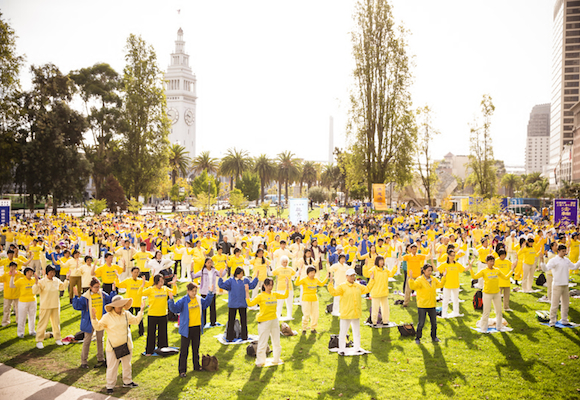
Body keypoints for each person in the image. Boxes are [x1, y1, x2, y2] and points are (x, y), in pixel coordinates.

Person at [90, 295, 145, 394]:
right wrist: (94, 318)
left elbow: (136, 321)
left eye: (122, 305)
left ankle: (127, 382)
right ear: (113, 306)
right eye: (118, 305)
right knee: (112, 367)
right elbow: (98, 327)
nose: (120, 307)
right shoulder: (107, 317)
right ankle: (110, 386)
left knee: (127, 365)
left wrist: (141, 311)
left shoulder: (126, 314)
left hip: (127, 345)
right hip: (113, 348)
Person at [168, 282, 215, 377]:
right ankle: (182, 370)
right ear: (188, 291)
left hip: (196, 328)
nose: (194, 293)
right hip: (186, 329)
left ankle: (196, 366)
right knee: (184, 351)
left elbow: (206, 304)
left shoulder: (198, 299)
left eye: (195, 291)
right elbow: (175, 309)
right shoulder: (183, 300)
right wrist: (171, 300)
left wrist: (210, 293)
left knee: (195, 349)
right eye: (192, 291)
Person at [327, 268, 375, 354]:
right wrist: (330, 283)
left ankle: (357, 348)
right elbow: (334, 293)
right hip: (346, 314)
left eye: (354, 275)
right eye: (351, 276)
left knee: (357, 333)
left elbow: (367, 289)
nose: (353, 277)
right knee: (343, 333)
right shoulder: (342, 286)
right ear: (346, 276)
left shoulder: (358, 286)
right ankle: (342, 349)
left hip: (356, 313)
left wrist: (372, 280)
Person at [72, 277, 116, 368]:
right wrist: (76, 296)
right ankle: (84, 362)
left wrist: (113, 290)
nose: (97, 289)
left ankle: (101, 359)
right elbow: (77, 306)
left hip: (100, 321)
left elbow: (110, 300)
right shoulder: (85, 297)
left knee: (100, 340)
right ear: (90, 287)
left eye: (98, 287)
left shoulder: (102, 294)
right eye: (95, 287)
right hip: (89, 322)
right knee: (87, 341)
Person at [245, 277, 289, 367]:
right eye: (269, 285)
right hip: (264, 322)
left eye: (272, 285)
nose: (270, 287)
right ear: (264, 285)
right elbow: (250, 303)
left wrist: (287, 285)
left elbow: (285, 296)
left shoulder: (274, 294)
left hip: (274, 320)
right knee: (263, 341)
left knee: (276, 341)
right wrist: (246, 292)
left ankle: (276, 358)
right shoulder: (260, 296)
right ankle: (260, 361)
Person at [467, 255, 515, 333]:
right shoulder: (484, 271)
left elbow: (505, 277)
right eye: (490, 261)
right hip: (487, 294)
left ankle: (499, 327)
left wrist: (512, 270)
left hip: (496, 293)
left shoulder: (497, 270)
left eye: (493, 261)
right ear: (487, 262)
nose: (492, 263)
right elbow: (474, 276)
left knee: (499, 311)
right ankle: (483, 328)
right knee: (486, 312)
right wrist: (471, 268)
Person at [408, 264, 446, 344]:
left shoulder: (433, 279)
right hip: (422, 305)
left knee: (434, 323)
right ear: (424, 271)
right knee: (421, 323)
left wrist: (444, 277)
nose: (430, 272)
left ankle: (434, 337)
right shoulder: (419, 279)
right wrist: (411, 279)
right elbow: (413, 286)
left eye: (431, 270)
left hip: (432, 304)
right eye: (428, 270)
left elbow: (440, 285)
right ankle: (418, 338)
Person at [33, 265, 69, 348]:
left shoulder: (56, 280)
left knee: (56, 323)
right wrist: (36, 282)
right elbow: (35, 291)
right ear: (47, 272)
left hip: (55, 305)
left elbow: (62, 287)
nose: (52, 274)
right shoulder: (42, 281)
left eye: (53, 272)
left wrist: (67, 279)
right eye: (51, 272)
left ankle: (57, 338)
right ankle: (39, 340)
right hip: (45, 306)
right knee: (42, 324)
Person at [218, 267, 258, 341]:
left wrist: (256, 278)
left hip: (243, 303)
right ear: (236, 274)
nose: (241, 275)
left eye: (242, 274)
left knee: (244, 321)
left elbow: (252, 286)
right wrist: (220, 277)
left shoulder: (245, 280)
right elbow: (222, 285)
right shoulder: (231, 280)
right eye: (239, 274)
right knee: (231, 321)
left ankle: (244, 337)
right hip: (233, 304)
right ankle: (229, 337)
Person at [141, 274, 177, 355]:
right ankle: (149, 350)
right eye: (160, 281)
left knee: (163, 333)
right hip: (152, 314)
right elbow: (140, 293)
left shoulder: (165, 288)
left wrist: (174, 284)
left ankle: (163, 348)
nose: (162, 283)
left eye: (162, 281)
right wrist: (143, 284)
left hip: (163, 314)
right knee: (151, 333)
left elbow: (174, 292)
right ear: (156, 282)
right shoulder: (150, 289)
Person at [545, 244, 580, 326]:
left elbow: (574, 267)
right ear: (559, 251)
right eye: (563, 251)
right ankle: (552, 321)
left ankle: (564, 319)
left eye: (565, 251)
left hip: (565, 285)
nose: (564, 253)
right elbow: (547, 268)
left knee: (565, 304)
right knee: (555, 304)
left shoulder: (566, 260)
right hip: (557, 284)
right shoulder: (554, 260)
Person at [437, 249, 473, 318]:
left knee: (455, 299)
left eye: (454, 255)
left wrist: (470, 265)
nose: (453, 257)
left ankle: (456, 313)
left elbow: (464, 269)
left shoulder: (457, 264)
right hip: (447, 284)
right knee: (446, 300)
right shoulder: (444, 264)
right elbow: (436, 269)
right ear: (448, 255)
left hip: (455, 284)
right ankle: (444, 314)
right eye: (451, 255)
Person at [295, 265, 328, 334]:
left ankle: (313, 328)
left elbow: (321, 284)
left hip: (314, 299)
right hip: (306, 299)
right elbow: (296, 283)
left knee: (315, 314)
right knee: (306, 314)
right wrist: (299, 275)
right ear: (308, 273)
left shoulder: (315, 280)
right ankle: (304, 328)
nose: (312, 274)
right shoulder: (304, 279)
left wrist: (326, 278)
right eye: (311, 273)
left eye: (314, 273)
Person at [367, 255, 398, 326]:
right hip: (376, 292)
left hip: (384, 292)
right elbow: (368, 274)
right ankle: (374, 322)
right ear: (377, 261)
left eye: (382, 261)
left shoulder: (385, 269)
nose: (381, 262)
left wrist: (395, 266)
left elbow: (390, 274)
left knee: (385, 308)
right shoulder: (373, 269)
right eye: (380, 261)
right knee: (375, 308)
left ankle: (385, 321)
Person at [115, 267, 146, 336]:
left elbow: (149, 284)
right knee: (127, 319)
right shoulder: (128, 280)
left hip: (138, 302)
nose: (136, 274)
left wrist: (152, 275)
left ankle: (141, 332)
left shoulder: (141, 281)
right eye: (135, 272)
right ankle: (126, 332)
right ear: (131, 272)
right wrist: (117, 277)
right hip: (129, 303)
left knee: (140, 318)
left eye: (137, 272)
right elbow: (119, 285)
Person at [191, 257, 221, 327]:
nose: (210, 264)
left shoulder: (214, 270)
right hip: (204, 292)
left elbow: (221, 274)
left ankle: (213, 322)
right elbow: (193, 276)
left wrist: (225, 268)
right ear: (205, 263)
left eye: (211, 262)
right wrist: (191, 268)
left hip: (212, 291)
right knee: (204, 307)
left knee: (212, 307)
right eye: (208, 262)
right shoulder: (202, 271)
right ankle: (203, 323)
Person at [15, 267, 36, 337]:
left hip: (33, 301)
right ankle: (20, 332)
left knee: (32, 316)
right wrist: (12, 276)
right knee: (22, 317)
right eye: (28, 272)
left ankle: (32, 331)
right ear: (25, 273)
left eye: (31, 272)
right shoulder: (20, 280)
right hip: (23, 302)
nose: (30, 274)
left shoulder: (34, 280)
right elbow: (12, 285)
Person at [1, 261, 23, 326]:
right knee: (6, 309)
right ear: (9, 267)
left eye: (15, 267)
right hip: (8, 295)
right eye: (12, 267)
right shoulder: (6, 274)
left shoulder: (19, 274)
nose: (13, 268)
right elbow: (1, 279)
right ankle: (5, 322)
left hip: (17, 294)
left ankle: (19, 321)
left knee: (18, 309)